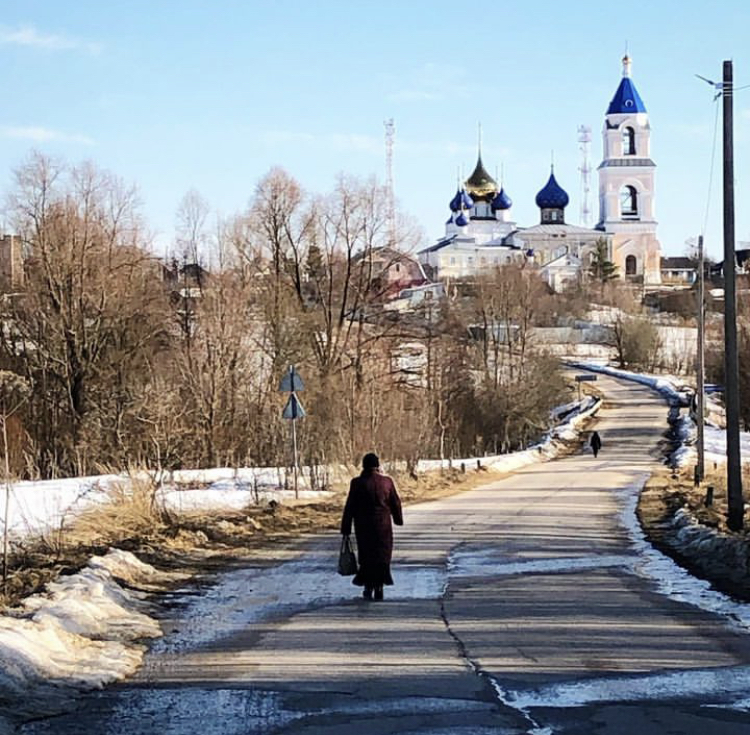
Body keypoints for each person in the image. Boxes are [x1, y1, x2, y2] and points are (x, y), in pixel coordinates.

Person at [340, 452, 403, 601]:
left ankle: (368, 586)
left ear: (364, 466)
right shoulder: (387, 482)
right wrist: (398, 519)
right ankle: (379, 586)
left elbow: (350, 506)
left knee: (367, 556)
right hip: (383, 526)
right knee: (382, 555)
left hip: (364, 527)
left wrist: (346, 528)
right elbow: (395, 502)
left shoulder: (357, 483)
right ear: (378, 465)